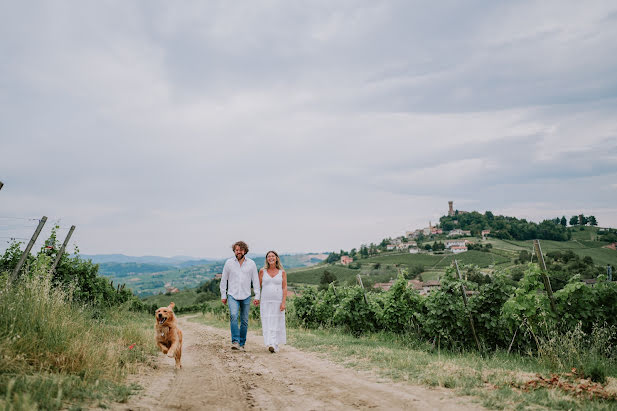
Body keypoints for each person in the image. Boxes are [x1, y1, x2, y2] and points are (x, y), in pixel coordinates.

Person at [220, 241, 260, 351]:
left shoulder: (251, 263)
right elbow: (224, 280)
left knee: (244, 320)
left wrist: (257, 296)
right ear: (234, 251)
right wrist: (223, 295)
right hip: (232, 295)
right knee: (233, 315)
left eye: (241, 250)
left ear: (245, 251)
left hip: (246, 295)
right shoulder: (229, 263)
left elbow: (255, 280)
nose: (238, 252)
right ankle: (235, 341)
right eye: (236, 250)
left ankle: (242, 343)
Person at [258, 250, 287, 353]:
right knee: (267, 321)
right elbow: (258, 286)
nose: (271, 258)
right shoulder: (262, 271)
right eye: (269, 256)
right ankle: (270, 343)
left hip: (277, 301)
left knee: (276, 322)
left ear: (276, 258)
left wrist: (283, 302)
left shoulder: (282, 272)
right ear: (267, 259)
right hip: (265, 301)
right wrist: (257, 298)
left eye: (273, 256)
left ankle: (275, 344)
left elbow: (284, 288)